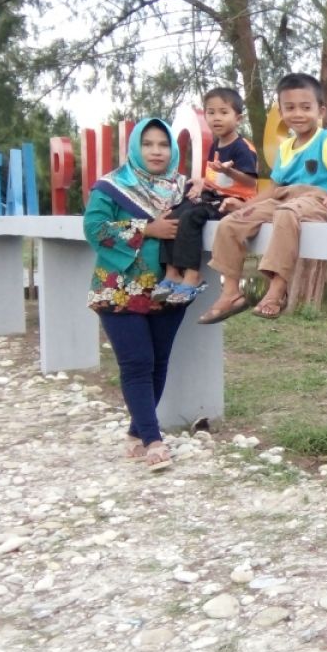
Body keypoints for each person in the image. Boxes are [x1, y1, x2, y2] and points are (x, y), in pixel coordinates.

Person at [197, 72, 327, 324]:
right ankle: (230, 293)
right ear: (281, 113)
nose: (298, 114)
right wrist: (245, 207)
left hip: (318, 199)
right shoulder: (284, 148)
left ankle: (277, 289)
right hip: (284, 198)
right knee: (232, 222)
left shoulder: (326, 140)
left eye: (306, 107)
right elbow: (274, 189)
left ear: (321, 111)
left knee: (286, 213)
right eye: (290, 108)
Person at [83, 117, 187, 471]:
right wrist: (148, 228)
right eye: (148, 144)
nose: (156, 151)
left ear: (172, 149)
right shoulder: (112, 186)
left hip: (168, 289)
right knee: (137, 363)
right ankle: (154, 441)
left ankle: (136, 432)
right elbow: (93, 228)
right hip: (119, 289)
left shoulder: (181, 188)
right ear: (134, 148)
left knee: (158, 363)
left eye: (163, 144)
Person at [152, 87, 259, 305]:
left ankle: (192, 276)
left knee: (192, 217)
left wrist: (229, 171)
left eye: (223, 112)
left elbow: (251, 181)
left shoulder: (242, 148)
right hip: (212, 196)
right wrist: (202, 182)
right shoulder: (215, 145)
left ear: (238, 118)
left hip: (230, 204)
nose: (216, 118)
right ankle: (172, 272)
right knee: (171, 215)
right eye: (211, 112)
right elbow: (214, 177)